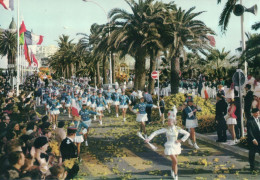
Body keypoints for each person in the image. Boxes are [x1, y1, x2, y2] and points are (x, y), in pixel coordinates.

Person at [145, 106, 190, 180]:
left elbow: (187, 134)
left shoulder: (177, 129)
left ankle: (172, 170)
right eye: (168, 121)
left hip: (176, 146)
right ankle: (176, 175)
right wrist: (148, 138)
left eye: (169, 121)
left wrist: (181, 140)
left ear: (173, 122)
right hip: (169, 146)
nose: (168, 122)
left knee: (174, 162)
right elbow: (155, 132)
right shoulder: (165, 129)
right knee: (175, 161)